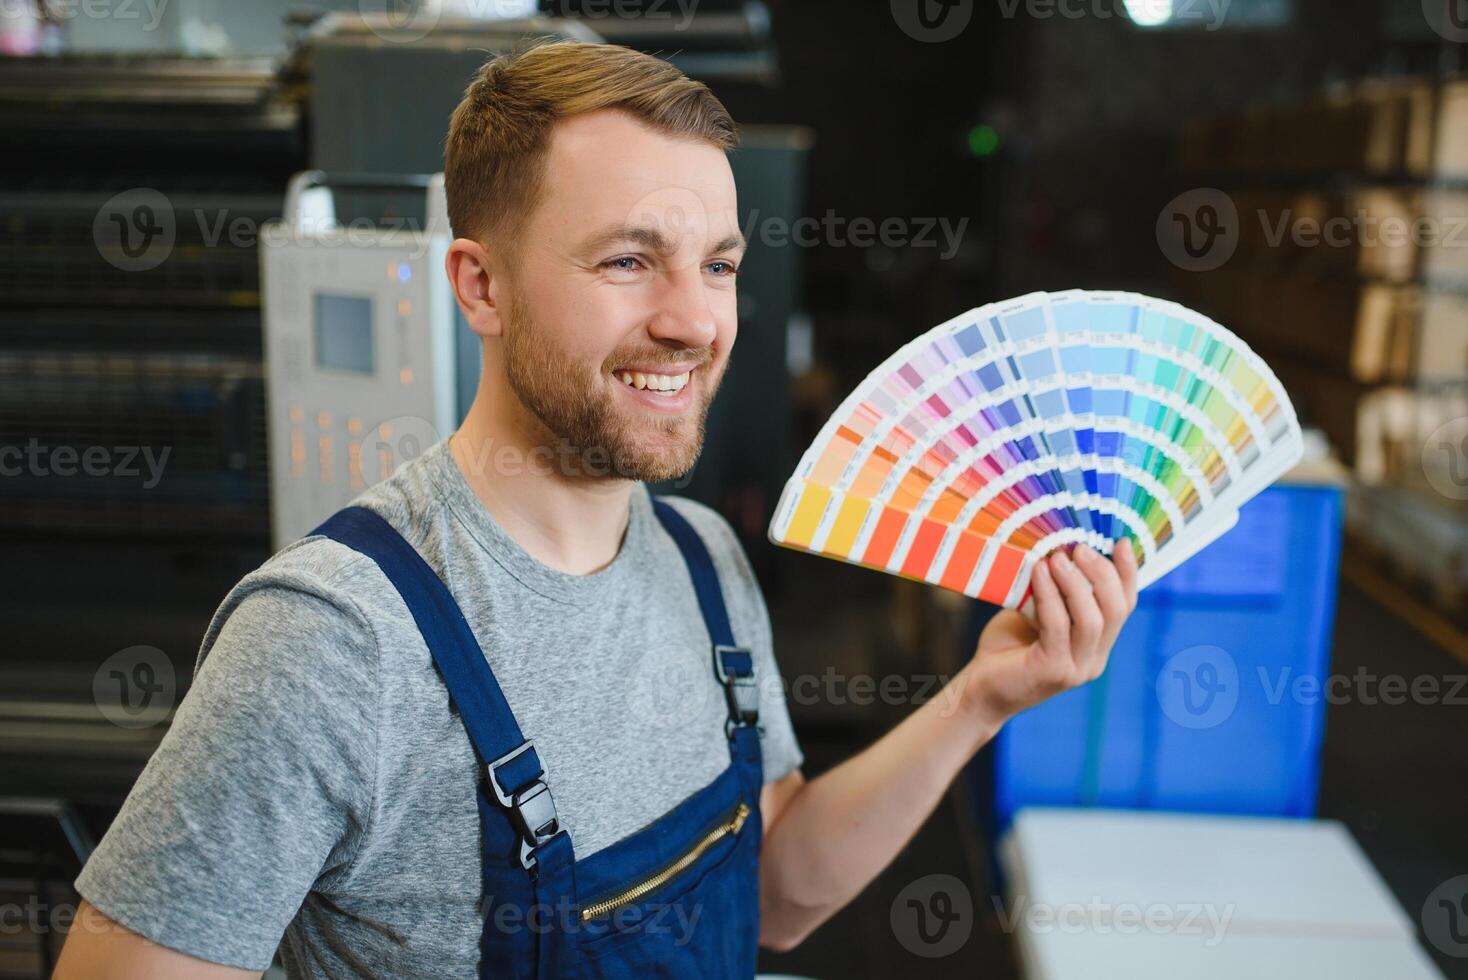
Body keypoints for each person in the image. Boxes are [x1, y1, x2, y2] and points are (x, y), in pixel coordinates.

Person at [54, 40, 1137, 979]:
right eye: (629, 259)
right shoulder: (333, 641)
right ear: (479, 285)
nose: (692, 321)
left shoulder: (703, 559)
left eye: (714, 265)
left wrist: (983, 695)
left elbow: (779, 889)